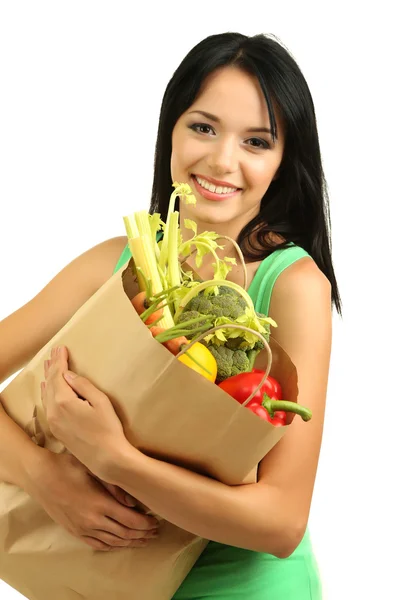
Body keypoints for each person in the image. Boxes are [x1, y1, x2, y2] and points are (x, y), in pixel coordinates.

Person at [0, 32, 341, 599]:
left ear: (284, 162)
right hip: (110, 584)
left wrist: (114, 459)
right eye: (203, 127)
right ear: (171, 131)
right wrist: (47, 476)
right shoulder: (113, 266)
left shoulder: (289, 287)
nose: (221, 160)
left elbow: (282, 523)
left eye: (257, 141)